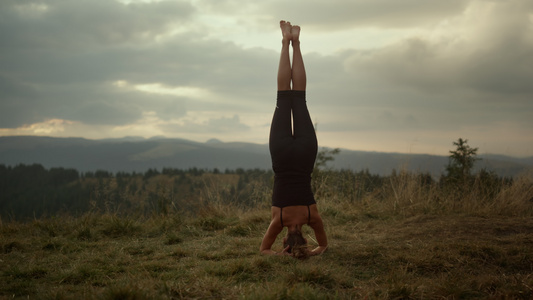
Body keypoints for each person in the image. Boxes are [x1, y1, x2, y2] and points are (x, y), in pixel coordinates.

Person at [259, 20, 328, 258]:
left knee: (299, 97)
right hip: (281, 154)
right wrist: (282, 255)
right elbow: (264, 250)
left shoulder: (312, 216)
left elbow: (323, 246)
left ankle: (296, 42)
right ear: (285, 240)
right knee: (283, 97)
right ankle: (285, 42)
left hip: (305, 153)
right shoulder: (279, 219)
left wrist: (313, 251)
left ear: (304, 239)